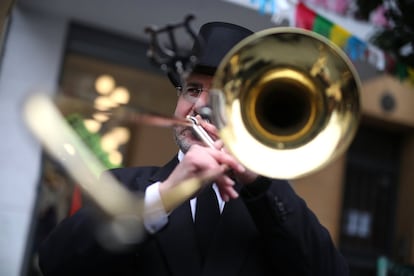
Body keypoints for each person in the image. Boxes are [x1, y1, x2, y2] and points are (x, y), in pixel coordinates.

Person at [38, 22, 349, 276]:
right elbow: (55, 263)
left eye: (221, 96)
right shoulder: (122, 186)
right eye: (193, 89)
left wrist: (259, 184)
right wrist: (163, 196)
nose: (200, 106)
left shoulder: (274, 203)